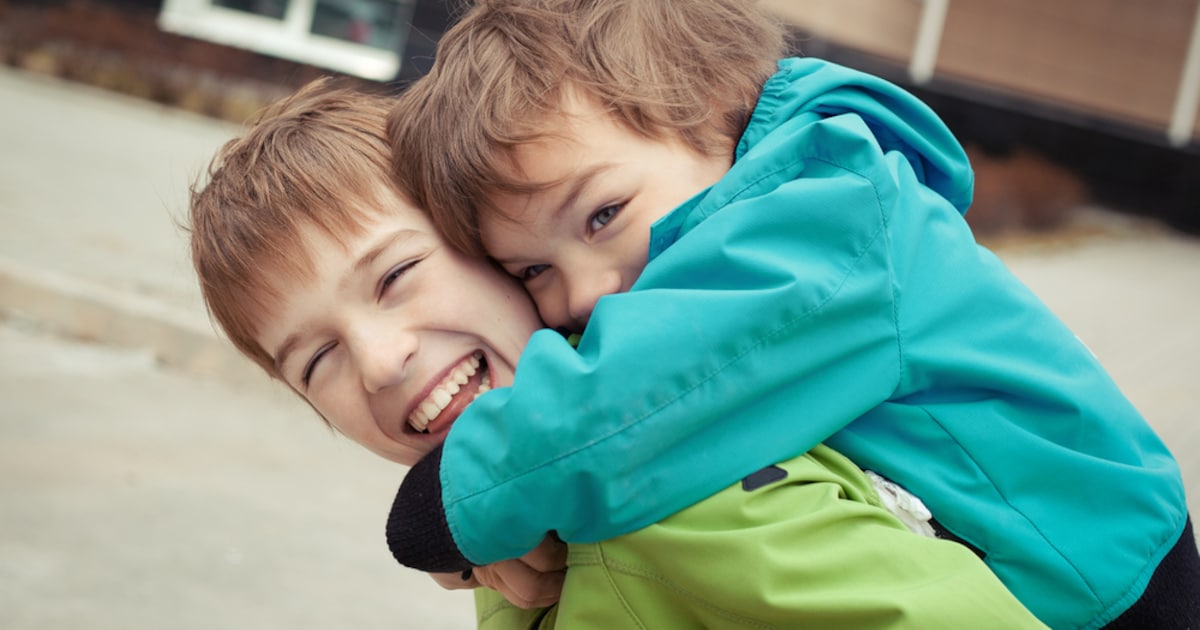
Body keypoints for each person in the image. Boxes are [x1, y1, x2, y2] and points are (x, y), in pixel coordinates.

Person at [383, 1, 1200, 628]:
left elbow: (647, 395)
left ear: (726, 115)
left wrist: (465, 492)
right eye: (534, 270)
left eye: (601, 216)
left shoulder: (824, 224)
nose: (588, 291)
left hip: (1101, 575)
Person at [186, 79, 1048, 628]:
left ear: (494, 243)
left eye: (397, 274)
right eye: (315, 362)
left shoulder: (668, 480)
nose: (376, 361)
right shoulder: (520, 511)